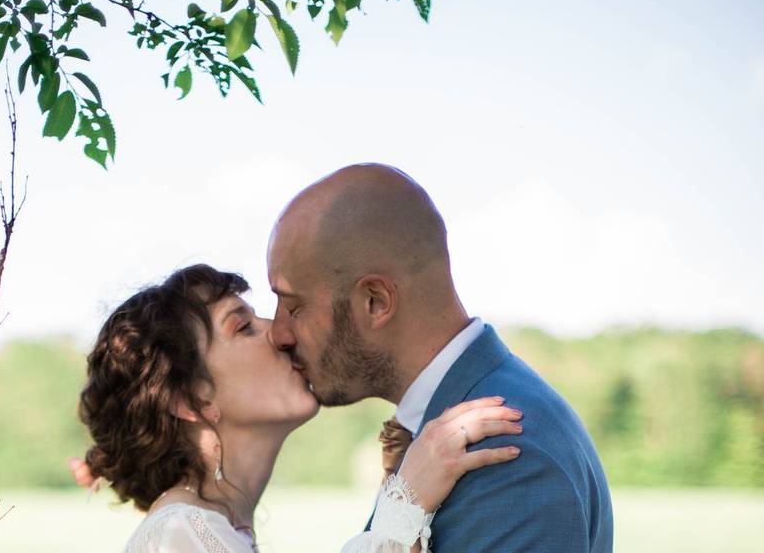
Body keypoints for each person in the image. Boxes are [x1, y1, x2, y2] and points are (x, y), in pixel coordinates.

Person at [266, 163, 613, 552]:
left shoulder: (508, 454)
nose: (278, 334)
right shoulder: (440, 437)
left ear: (375, 302)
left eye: (293, 308)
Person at [71, 264, 523, 551]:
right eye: (243, 326)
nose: (280, 333)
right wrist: (406, 502)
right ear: (190, 399)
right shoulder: (181, 535)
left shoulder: (208, 529)